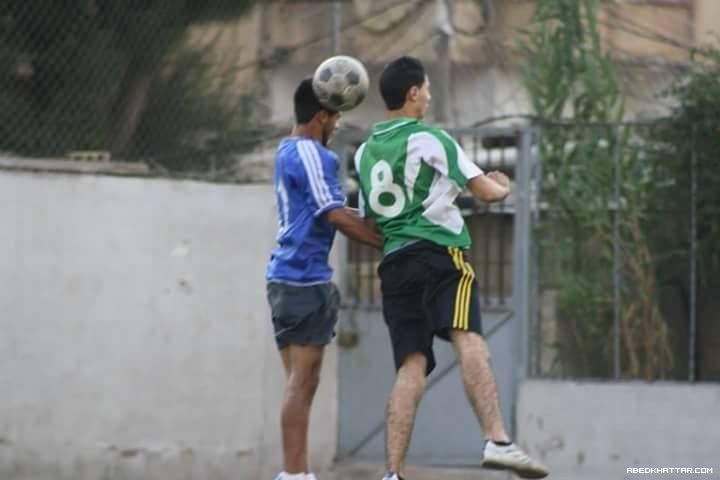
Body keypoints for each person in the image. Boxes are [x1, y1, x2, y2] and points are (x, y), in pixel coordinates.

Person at [354, 56, 548, 480]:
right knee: (469, 337)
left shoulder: (365, 153)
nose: (429, 95)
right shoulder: (430, 138)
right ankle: (498, 440)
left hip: (394, 265)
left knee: (411, 365)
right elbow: (486, 193)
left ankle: (392, 473)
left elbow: (369, 222)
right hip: (440, 256)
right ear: (413, 93)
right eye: (426, 88)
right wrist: (504, 183)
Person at [266, 78, 382, 480]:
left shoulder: (286, 150)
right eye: (335, 116)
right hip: (302, 279)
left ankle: (297, 472)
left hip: (286, 278)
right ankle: (294, 475)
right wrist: (388, 242)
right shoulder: (313, 154)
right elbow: (333, 213)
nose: (336, 125)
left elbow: (328, 208)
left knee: (302, 381)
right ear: (321, 116)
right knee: (302, 381)